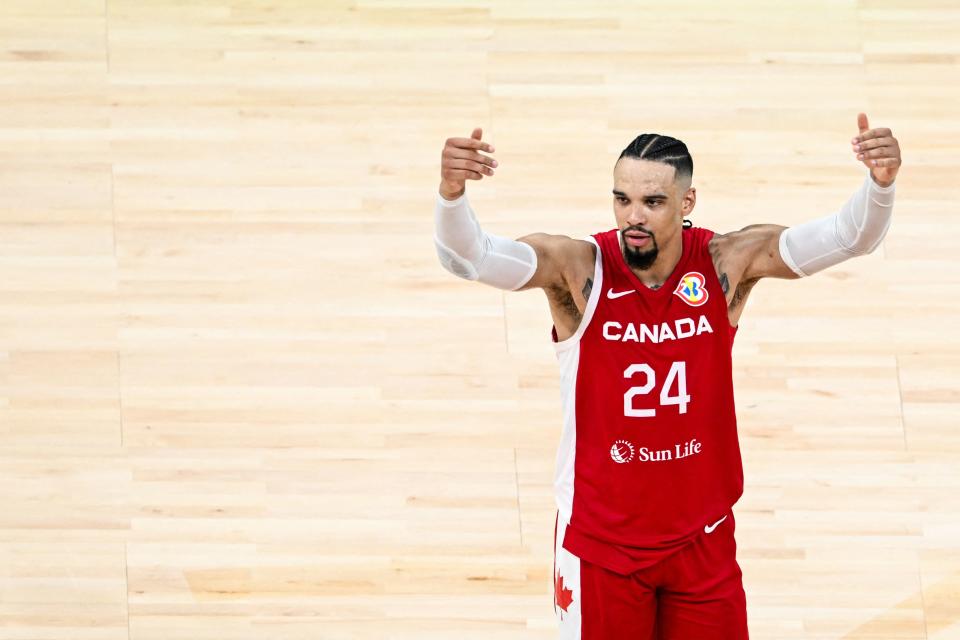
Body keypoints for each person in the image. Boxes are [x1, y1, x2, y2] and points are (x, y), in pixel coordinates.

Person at [432, 114, 900, 639]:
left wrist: (879, 184)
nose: (633, 216)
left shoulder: (728, 262)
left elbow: (849, 237)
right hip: (602, 546)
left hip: (702, 540)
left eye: (652, 202)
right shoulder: (578, 269)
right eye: (622, 199)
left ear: (687, 203)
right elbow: (470, 259)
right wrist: (452, 197)